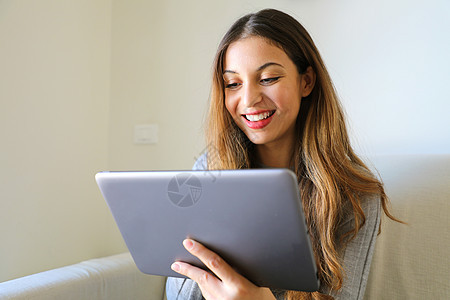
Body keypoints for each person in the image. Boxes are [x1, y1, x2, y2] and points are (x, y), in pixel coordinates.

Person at [166, 8, 399, 300]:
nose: (249, 99)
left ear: (306, 81)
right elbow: (179, 293)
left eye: (268, 78)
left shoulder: (356, 194)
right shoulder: (210, 170)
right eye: (233, 84)